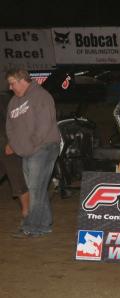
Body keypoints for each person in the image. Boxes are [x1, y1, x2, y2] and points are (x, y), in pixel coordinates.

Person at [6, 68, 61, 238]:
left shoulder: (41, 96)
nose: (10, 87)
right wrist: (17, 145)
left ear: (22, 80)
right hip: (27, 151)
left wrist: (30, 145)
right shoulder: (14, 102)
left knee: (35, 189)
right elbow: (10, 127)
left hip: (44, 147)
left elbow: (44, 125)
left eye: (12, 83)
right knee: (36, 188)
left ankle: (31, 226)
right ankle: (44, 224)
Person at [0, 91, 29, 218]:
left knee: (18, 181)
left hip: (8, 147)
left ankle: (28, 216)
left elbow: (19, 121)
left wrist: (12, 143)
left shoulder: (5, 100)